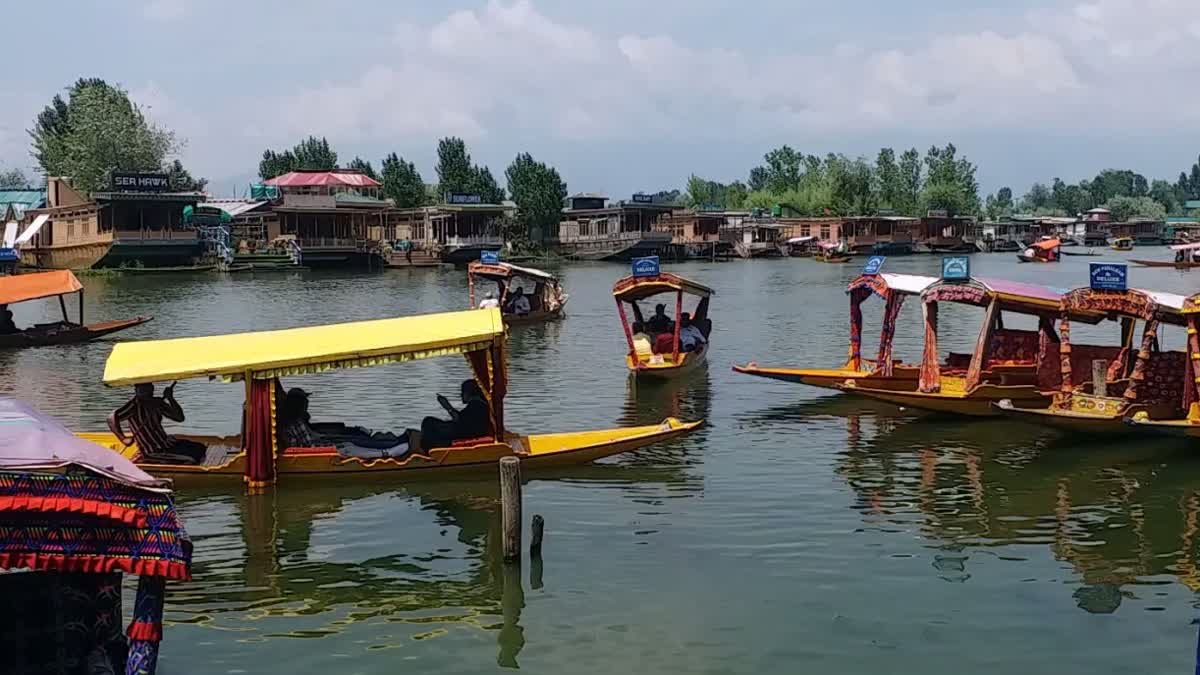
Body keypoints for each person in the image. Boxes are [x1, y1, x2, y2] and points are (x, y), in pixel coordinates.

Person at [108, 382, 207, 464]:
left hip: (168, 443)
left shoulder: (157, 402)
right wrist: (123, 438)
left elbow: (179, 418)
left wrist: (171, 398)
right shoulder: (134, 406)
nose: (147, 391)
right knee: (191, 460)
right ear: (136, 390)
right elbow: (111, 418)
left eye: (148, 387)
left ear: (152, 388)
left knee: (200, 448)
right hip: (153, 450)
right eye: (142, 388)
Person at [420, 379, 494, 450]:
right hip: (465, 430)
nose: (461, 395)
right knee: (431, 422)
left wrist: (447, 406)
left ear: (469, 392)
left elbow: (459, 420)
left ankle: (431, 448)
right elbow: (463, 419)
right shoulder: (479, 404)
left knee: (428, 422)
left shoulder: (477, 405)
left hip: (467, 433)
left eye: (462, 392)